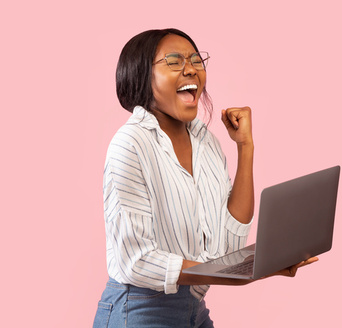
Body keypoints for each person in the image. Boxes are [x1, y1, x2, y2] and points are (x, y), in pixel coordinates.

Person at [93, 28, 316, 328]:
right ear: (142, 75)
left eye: (196, 60)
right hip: (139, 310)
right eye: (174, 61)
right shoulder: (130, 145)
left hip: (193, 309)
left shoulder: (206, 143)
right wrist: (240, 273)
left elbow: (228, 245)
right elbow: (136, 261)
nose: (190, 69)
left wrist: (245, 147)